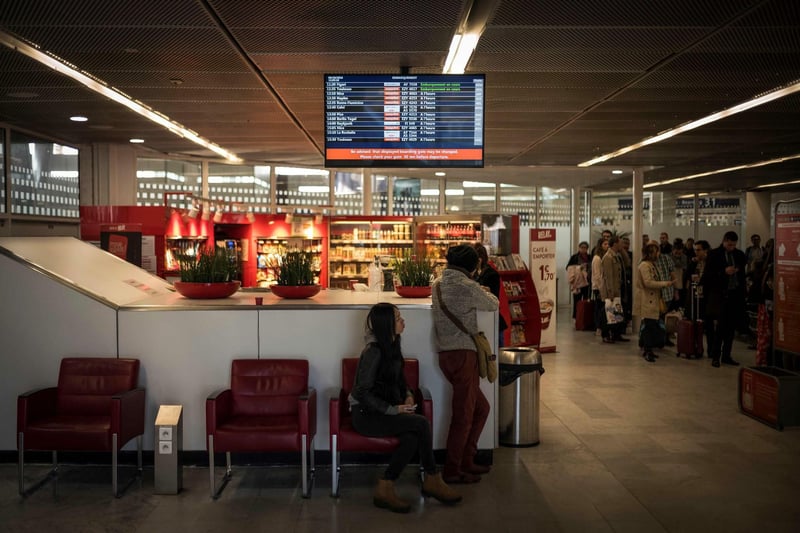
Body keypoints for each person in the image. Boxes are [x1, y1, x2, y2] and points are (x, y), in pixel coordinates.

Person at [351, 302, 462, 513]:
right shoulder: (373, 351)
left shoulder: (392, 346)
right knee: (421, 423)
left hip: (383, 411)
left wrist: (408, 396)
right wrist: (394, 410)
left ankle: (385, 486)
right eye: (398, 318)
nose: (403, 321)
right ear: (387, 324)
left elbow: (400, 380)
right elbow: (361, 393)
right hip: (366, 415)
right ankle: (432, 478)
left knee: (412, 438)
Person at [432, 244, 499, 484]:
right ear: (472, 266)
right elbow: (493, 303)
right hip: (464, 355)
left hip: (446, 356)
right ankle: (453, 470)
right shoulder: (467, 286)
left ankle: (467, 459)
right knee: (464, 415)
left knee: (481, 409)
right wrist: (482, 289)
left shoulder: (437, 283)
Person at [700, 231, 746, 367]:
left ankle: (726, 355)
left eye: (734, 245)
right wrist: (723, 272)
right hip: (720, 295)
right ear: (724, 241)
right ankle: (715, 355)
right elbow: (708, 275)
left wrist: (737, 270)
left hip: (734, 294)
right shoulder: (715, 254)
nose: (731, 247)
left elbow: (742, 271)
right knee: (720, 327)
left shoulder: (739, 255)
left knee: (730, 328)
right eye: (729, 244)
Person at [635, 243, 676, 362]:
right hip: (648, 300)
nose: (658, 254)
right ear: (650, 253)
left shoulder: (652, 264)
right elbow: (648, 282)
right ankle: (647, 349)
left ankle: (649, 348)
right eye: (656, 252)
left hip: (653, 299)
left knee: (652, 326)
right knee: (649, 326)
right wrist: (665, 283)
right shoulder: (644, 265)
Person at [473, 243, 507, 345]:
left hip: (492, 321)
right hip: (481, 320)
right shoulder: (473, 274)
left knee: (496, 350)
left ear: (479, 260)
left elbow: (495, 299)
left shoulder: (491, 274)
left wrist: (484, 291)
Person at [600, 236, 629, 343]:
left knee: (617, 313)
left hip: (618, 289)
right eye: (620, 243)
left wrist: (623, 251)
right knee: (608, 313)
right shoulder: (608, 257)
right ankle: (606, 334)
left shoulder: (617, 256)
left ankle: (617, 334)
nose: (623, 245)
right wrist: (611, 292)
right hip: (611, 291)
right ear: (615, 244)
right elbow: (608, 277)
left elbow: (628, 263)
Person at [566, 241, 591, 319]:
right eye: (582, 247)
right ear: (579, 248)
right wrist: (579, 268)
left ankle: (585, 316)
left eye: (585, 248)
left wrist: (587, 267)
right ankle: (576, 316)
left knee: (586, 300)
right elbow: (568, 268)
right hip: (577, 283)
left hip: (587, 282)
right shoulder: (574, 257)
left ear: (587, 249)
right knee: (577, 300)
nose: (583, 249)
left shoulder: (590, 257)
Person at [591, 238, 609, 336]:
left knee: (602, 307)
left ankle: (602, 326)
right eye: (605, 244)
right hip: (598, 287)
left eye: (607, 244)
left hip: (603, 286)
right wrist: (601, 289)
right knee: (599, 308)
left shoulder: (604, 257)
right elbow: (597, 275)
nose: (607, 246)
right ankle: (598, 327)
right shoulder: (597, 258)